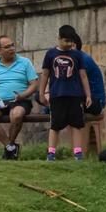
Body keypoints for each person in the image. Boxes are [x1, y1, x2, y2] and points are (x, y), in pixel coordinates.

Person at [0, 35, 38, 160]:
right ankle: (10, 147)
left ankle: (9, 148)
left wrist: (23, 95)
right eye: (7, 47)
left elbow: (34, 85)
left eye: (12, 45)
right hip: (0, 101)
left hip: (20, 100)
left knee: (16, 115)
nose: (11, 48)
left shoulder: (25, 62)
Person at [40, 24, 93, 161]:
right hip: (57, 94)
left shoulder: (77, 55)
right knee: (55, 125)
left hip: (75, 95)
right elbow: (45, 74)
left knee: (76, 124)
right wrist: (42, 93)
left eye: (71, 41)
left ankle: (77, 153)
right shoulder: (50, 54)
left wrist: (88, 95)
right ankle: (51, 153)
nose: (69, 44)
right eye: (66, 41)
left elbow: (83, 76)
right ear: (59, 38)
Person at [68, 28, 106, 119]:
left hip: (95, 102)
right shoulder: (71, 60)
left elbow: (74, 86)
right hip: (81, 98)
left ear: (73, 46)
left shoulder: (83, 60)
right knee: (39, 96)